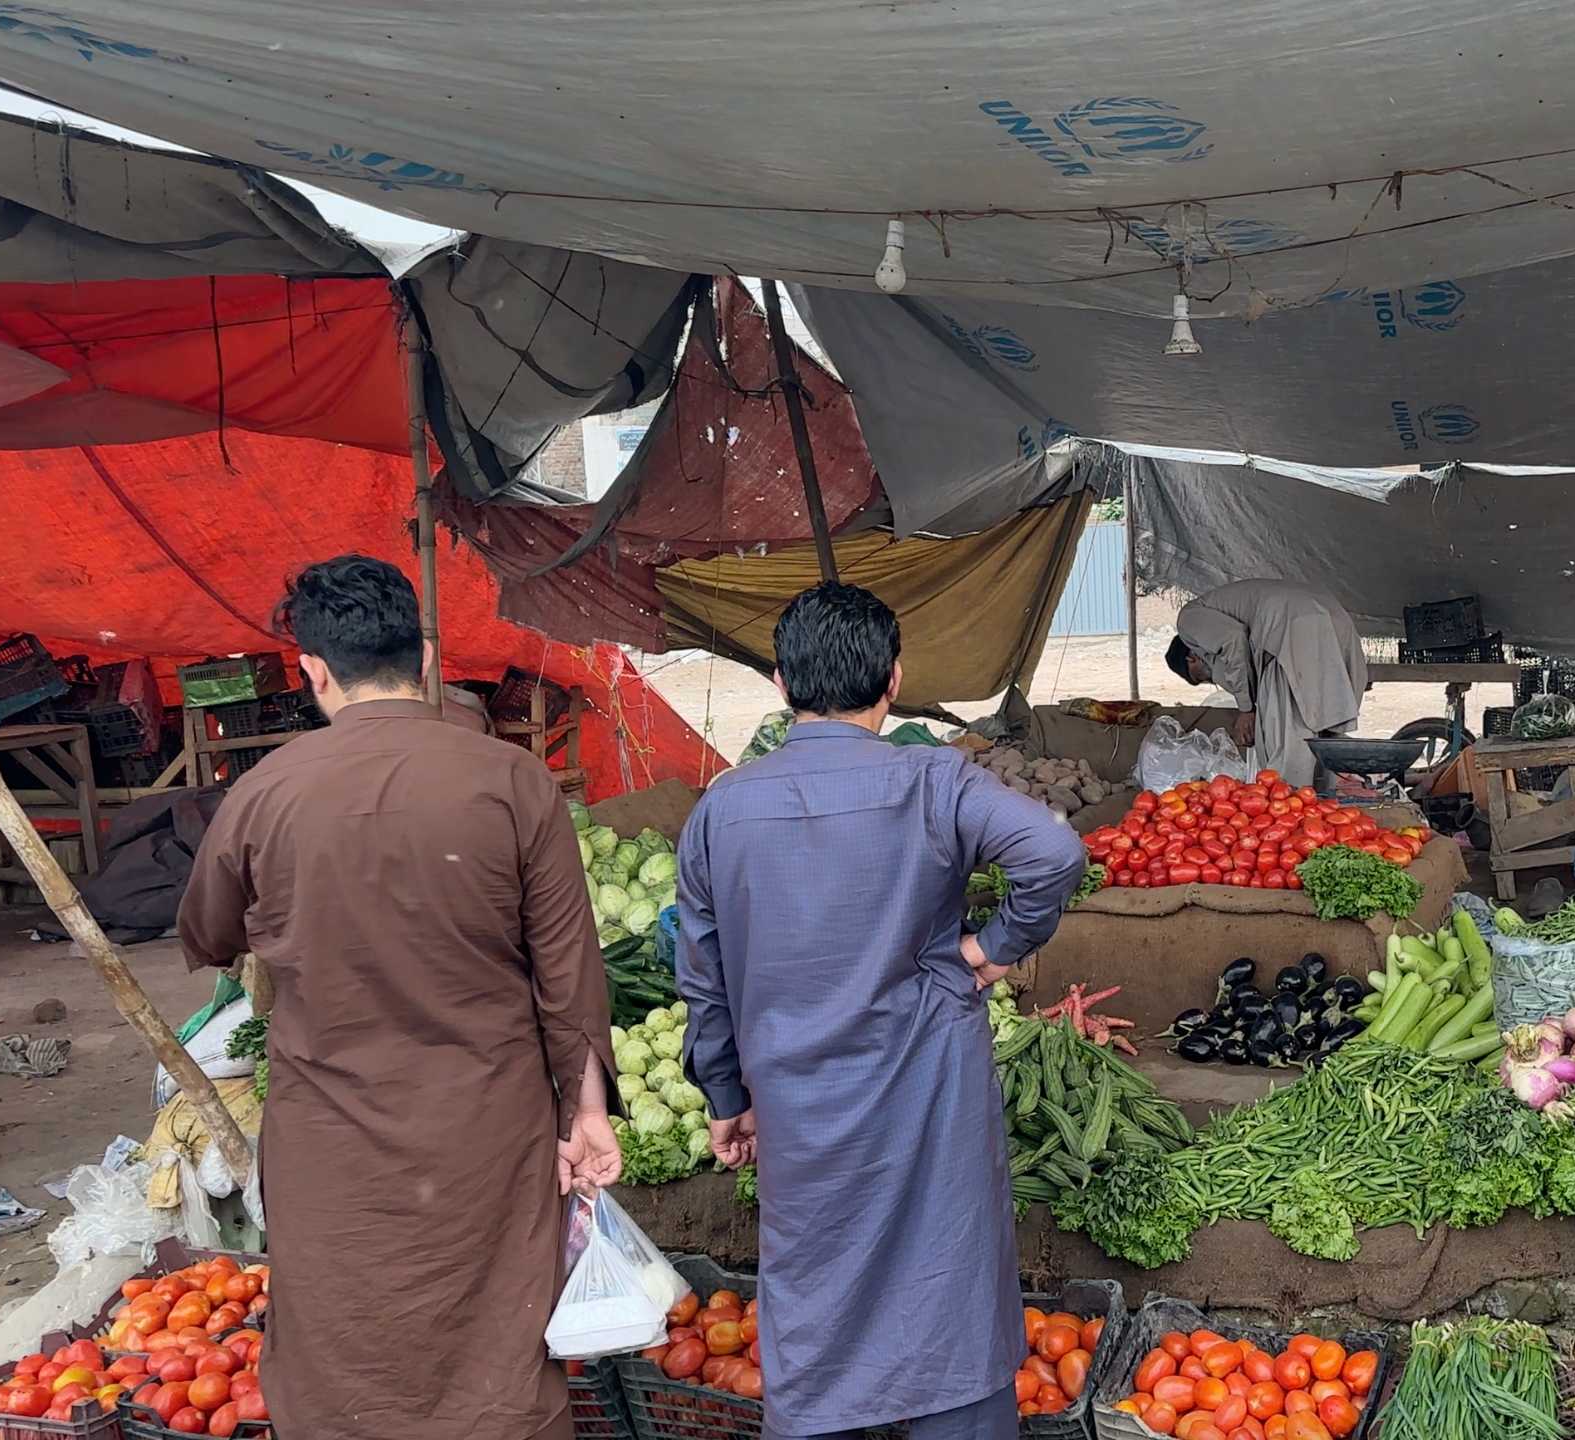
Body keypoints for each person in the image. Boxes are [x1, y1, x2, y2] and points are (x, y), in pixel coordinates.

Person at [178, 555, 620, 1440]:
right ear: (423, 656)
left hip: (333, 1137)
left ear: (313, 670)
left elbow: (207, 937)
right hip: (487, 1131)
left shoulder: (263, 793)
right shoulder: (514, 781)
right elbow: (568, 976)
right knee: (496, 1346)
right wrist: (590, 1110)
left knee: (345, 1352)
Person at [674, 581, 1083, 1440]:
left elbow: (705, 980)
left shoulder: (724, 807)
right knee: (948, 1280)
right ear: (893, 680)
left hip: (800, 1108)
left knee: (816, 1289)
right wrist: (988, 952)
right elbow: (1051, 851)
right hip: (927, 1082)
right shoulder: (933, 779)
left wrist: (725, 1096)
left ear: (782, 684)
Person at [1165, 579, 1370, 786]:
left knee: (1290, 748)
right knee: (1328, 737)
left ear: (1191, 658)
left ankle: (1294, 810)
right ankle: (1325, 807)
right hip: (1336, 619)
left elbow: (1233, 640)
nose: (1211, 679)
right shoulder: (1222, 605)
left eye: (1201, 677)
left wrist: (1246, 709)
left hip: (1291, 630)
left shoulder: (1187, 621)